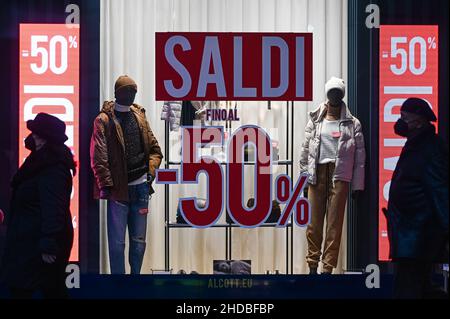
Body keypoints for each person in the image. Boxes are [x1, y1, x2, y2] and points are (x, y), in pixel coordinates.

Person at [90, 75, 163, 274]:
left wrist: (150, 172)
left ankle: (134, 284)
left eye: (133, 91)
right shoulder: (103, 120)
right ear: (117, 93)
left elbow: (155, 150)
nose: (131, 95)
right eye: (127, 91)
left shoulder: (139, 116)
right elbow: (99, 157)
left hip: (141, 189)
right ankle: (118, 287)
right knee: (117, 245)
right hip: (118, 192)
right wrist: (107, 186)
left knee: (139, 244)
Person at [0, 113, 75, 299]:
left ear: (43, 138)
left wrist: (48, 243)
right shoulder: (42, 161)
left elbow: (54, 206)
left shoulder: (53, 166)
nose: (31, 136)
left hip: (39, 242)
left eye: (35, 133)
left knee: (41, 288)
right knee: (48, 288)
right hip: (32, 239)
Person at [300, 77, 366, 275]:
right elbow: (305, 152)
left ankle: (327, 268)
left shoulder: (352, 124)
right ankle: (312, 266)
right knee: (313, 224)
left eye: (338, 92)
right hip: (317, 174)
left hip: (340, 176)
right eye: (332, 92)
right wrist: (304, 180)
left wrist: (357, 186)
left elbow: (360, 158)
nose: (335, 96)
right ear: (327, 94)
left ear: (343, 95)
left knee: (334, 225)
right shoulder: (315, 120)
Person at [384, 97, 449, 299]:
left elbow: (440, 192)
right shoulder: (416, 144)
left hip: (418, 237)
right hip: (410, 236)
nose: (400, 122)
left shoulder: (430, 148)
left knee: (409, 289)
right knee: (418, 288)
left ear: (419, 121)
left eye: (405, 118)